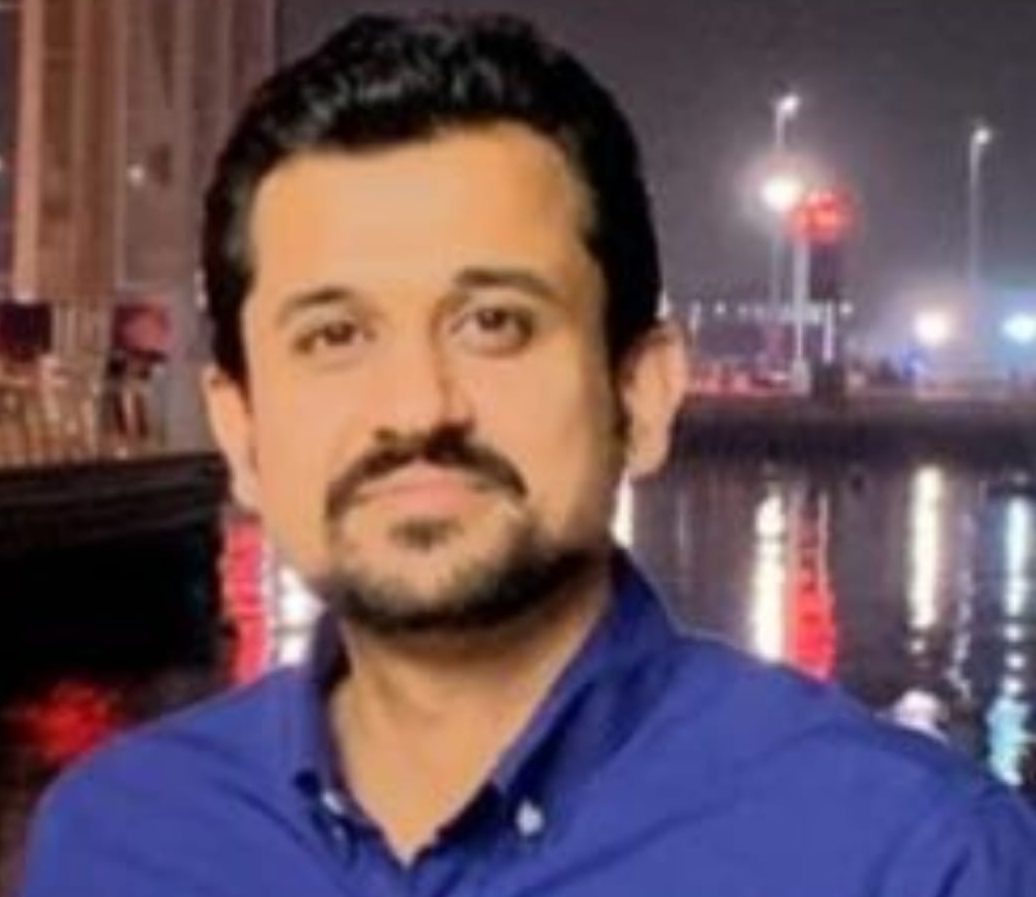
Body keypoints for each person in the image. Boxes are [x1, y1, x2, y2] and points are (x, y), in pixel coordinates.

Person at [19, 12, 1036, 896]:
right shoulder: (119, 840)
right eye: (334, 335)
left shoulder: (906, 857)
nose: (417, 406)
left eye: (494, 322)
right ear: (240, 429)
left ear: (641, 392)